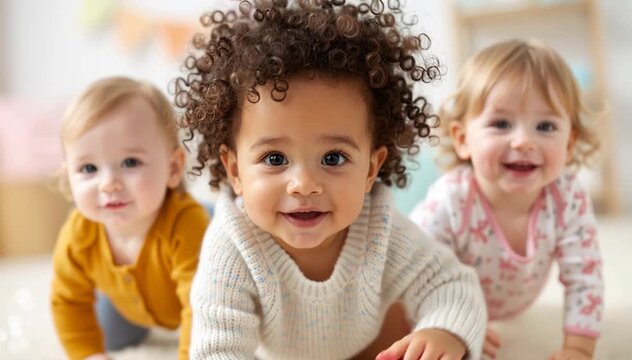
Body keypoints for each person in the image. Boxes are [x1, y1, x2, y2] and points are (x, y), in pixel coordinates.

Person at [172, 0, 487, 359]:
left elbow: (452, 283)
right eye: (275, 159)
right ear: (235, 171)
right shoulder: (233, 245)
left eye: (333, 158)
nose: (304, 184)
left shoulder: (380, 229)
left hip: (367, 345)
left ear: (371, 168)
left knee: (408, 328)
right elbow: (218, 347)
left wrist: (445, 331)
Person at [410, 39, 604, 359]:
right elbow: (415, 268)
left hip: (513, 306)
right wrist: (451, 321)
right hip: (452, 294)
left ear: (569, 145)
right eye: (501, 123)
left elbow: (585, 274)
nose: (524, 141)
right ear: (462, 140)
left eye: (545, 126)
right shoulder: (452, 198)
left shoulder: (567, 197)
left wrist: (578, 349)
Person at [50, 77, 210, 360]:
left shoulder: (187, 226)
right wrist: (88, 353)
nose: (108, 183)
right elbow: (68, 301)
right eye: (89, 168)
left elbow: (201, 307)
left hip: (197, 278)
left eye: (130, 163)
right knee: (112, 337)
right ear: (68, 175)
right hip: (127, 303)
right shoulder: (78, 233)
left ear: (172, 168)